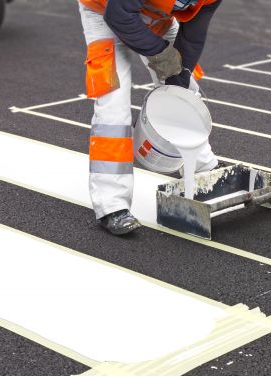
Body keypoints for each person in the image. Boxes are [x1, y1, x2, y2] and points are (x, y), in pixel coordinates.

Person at [79, 0, 221, 235]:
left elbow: (194, 35)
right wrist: (161, 54)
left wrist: (178, 80)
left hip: (155, 16)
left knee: (186, 94)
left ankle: (203, 169)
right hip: (104, 10)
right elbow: (119, 17)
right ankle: (112, 205)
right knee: (113, 109)